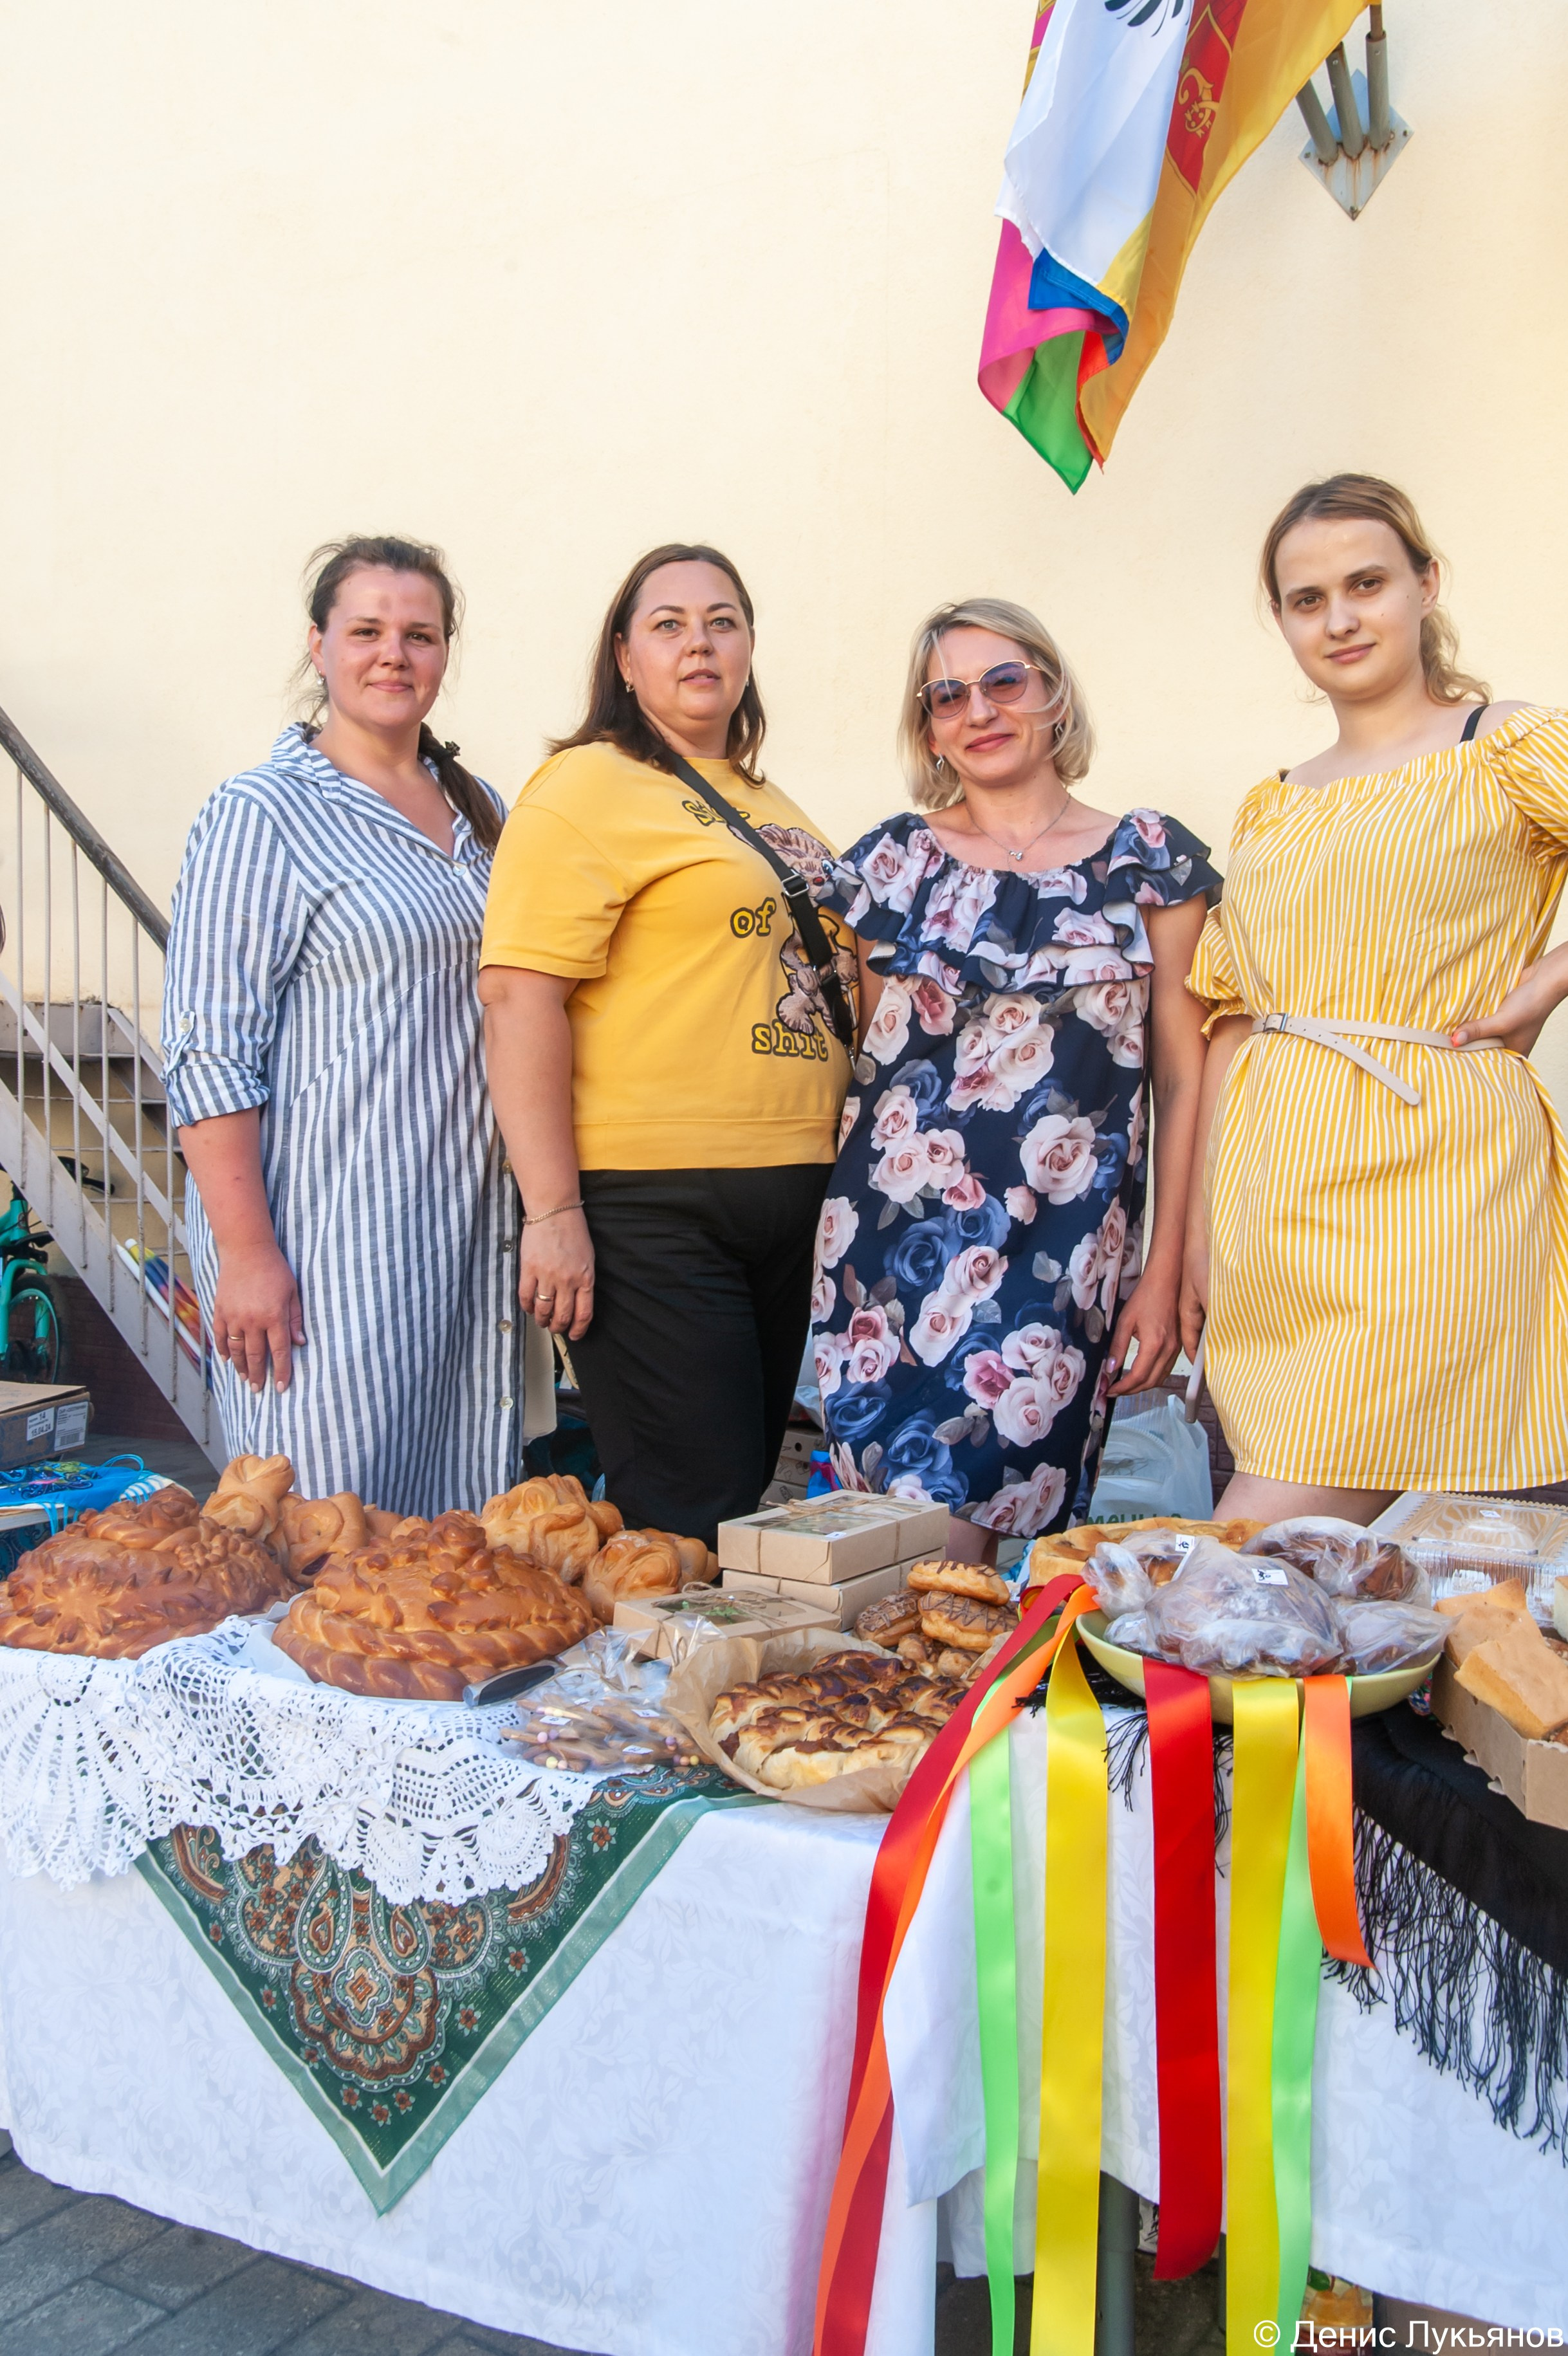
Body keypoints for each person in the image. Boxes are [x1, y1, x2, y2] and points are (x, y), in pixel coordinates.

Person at [1181, 472, 1568, 1522]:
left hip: (1432, 1172)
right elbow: (1232, 1017)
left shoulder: (1505, 745)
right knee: (1328, 1549)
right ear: (1279, 619)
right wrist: (1205, 1231)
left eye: (1365, 583)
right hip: (1276, 1195)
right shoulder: (1273, 802)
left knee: (1262, 1533)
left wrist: (1548, 978)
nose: (1339, 619)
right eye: (1307, 600)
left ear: (1424, 584)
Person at [808, 598, 1216, 1556]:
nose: (979, 710)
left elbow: (1185, 1083)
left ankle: (944, 1704)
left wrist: (1162, 1275)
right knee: (907, 1546)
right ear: (928, 729)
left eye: (1004, 682)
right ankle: (920, 1704)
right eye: (946, 695)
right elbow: (865, 1066)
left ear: (1053, 694)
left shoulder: (1146, 862)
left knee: (967, 1533)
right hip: (885, 1263)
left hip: (1059, 1262)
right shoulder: (893, 865)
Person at [163, 535, 550, 1515]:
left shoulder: (483, 816)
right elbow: (209, 1053)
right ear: (319, 644)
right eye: (367, 630)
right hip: (328, 1252)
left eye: (419, 634)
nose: (394, 653)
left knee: (450, 1557)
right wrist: (247, 1254)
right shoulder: (262, 812)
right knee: (322, 1534)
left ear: (444, 654)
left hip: (463, 1251)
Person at [479, 543, 853, 1548]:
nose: (699, 641)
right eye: (669, 623)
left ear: (749, 649)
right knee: (692, 1516)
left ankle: (705, 1701)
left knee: (737, 1508)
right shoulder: (584, 785)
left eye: (722, 620)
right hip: (655, 1200)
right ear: (625, 657)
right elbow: (518, 997)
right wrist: (551, 1208)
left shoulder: (772, 805)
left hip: (790, 1192)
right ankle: (644, 1708)